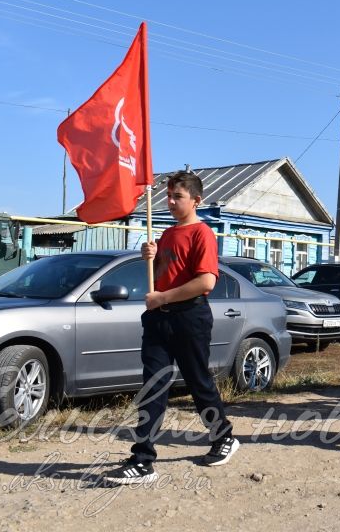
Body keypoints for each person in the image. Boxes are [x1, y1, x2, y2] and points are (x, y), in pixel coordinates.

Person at [104, 171, 236, 485]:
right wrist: (148, 257)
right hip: (158, 319)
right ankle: (143, 459)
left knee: (198, 382)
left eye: (178, 197)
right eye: (169, 196)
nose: (171, 202)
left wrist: (163, 296)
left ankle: (223, 437)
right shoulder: (166, 234)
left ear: (196, 200)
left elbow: (206, 281)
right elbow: (164, 273)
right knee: (153, 387)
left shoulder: (202, 234)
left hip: (189, 317)